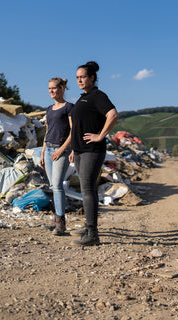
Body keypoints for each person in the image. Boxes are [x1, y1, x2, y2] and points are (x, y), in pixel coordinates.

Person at [69, 61, 119, 246]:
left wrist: (101, 135)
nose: (80, 80)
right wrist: (74, 149)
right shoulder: (82, 98)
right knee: (85, 189)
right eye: (77, 78)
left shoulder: (98, 96)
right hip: (81, 150)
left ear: (92, 77)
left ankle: (93, 234)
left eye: (83, 77)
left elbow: (113, 114)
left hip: (92, 150)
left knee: (88, 189)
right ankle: (88, 226)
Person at [39, 77, 73, 235]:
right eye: (49, 88)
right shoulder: (48, 109)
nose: (51, 91)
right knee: (53, 186)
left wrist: (62, 150)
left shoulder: (69, 107)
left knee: (58, 186)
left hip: (61, 150)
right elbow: (47, 132)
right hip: (48, 150)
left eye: (54, 88)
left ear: (62, 89)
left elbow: (73, 132)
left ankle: (61, 222)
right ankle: (55, 218)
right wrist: (42, 152)